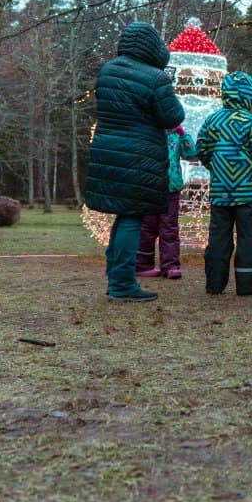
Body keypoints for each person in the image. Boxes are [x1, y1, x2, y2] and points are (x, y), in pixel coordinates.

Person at [84, 22, 185, 302]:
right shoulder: (155, 78)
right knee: (132, 218)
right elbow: (173, 116)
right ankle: (122, 284)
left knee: (123, 217)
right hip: (138, 157)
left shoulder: (108, 71)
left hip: (107, 154)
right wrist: (167, 86)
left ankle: (115, 279)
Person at [196, 71, 252, 296]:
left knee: (218, 237)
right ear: (249, 96)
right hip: (248, 193)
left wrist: (216, 168)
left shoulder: (212, 120)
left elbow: (201, 149)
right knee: (248, 238)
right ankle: (247, 284)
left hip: (220, 192)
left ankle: (214, 284)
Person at [135, 124, 196, 280]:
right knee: (147, 228)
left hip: (170, 188)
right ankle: (142, 265)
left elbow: (192, 154)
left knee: (169, 228)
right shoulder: (146, 131)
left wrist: (183, 134)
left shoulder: (175, 136)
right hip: (149, 187)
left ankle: (170, 266)